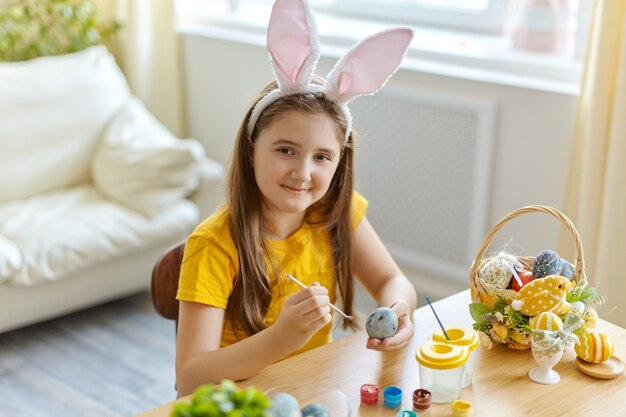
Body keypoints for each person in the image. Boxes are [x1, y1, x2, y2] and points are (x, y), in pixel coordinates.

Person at [175, 0, 417, 396]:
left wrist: (398, 312)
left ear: (340, 163)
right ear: (252, 148)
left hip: (312, 390)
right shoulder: (214, 245)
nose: (302, 173)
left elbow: (392, 280)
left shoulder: (336, 213)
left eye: (322, 157)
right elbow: (189, 377)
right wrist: (280, 339)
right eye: (285, 150)